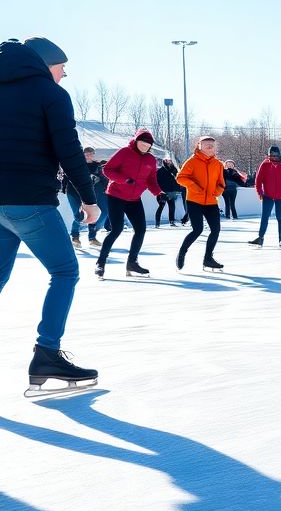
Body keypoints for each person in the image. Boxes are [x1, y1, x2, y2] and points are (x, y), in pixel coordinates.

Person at [0, 36, 101, 396]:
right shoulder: (50, 94)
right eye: (62, 67)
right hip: (29, 201)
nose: (64, 75)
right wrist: (89, 200)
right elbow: (69, 150)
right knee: (64, 271)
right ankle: (47, 353)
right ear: (45, 64)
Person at [96, 128, 162, 278]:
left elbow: (151, 180)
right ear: (136, 141)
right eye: (142, 144)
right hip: (116, 195)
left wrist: (159, 193)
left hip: (134, 199)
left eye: (148, 146)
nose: (145, 147)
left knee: (141, 230)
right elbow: (107, 169)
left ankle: (132, 263)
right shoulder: (125, 152)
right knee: (116, 229)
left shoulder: (151, 159)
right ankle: (101, 263)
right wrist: (124, 180)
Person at [176, 136, 226, 272]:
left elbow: (221, 183)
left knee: (216, 230)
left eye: (212, 145)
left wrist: (217, 191)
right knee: (197, 230)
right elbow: (180, 178)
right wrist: (194, 186)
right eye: (206, 145)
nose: (210, 147)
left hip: (211, 202)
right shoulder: (192, 162)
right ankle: (182, 252)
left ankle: (208, 258)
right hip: (194, 201)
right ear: (199, 146)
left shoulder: (218, 164)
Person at [250, 145, 281, 248]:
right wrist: (260, 192)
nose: (273, 157)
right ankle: (260, 238)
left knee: (280, 218)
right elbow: (258, 180)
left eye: (275, 155)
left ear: (279, 155)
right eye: (271, 155)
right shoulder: (264, 165)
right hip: (268, 196)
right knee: (265, 217)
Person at [155, 158, 181, 227]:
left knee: (172, 206)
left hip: (171, 191)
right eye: (167, 161)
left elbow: (177, 176)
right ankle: (157, 223)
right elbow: (156, 182)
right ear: (164, 162)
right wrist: (159, 192)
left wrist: (173, 168)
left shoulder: (172, 170)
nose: (169, 162)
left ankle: (171, 221)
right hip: (162, 192)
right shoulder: (160, 171)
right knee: (161, 206)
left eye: (170, 161)